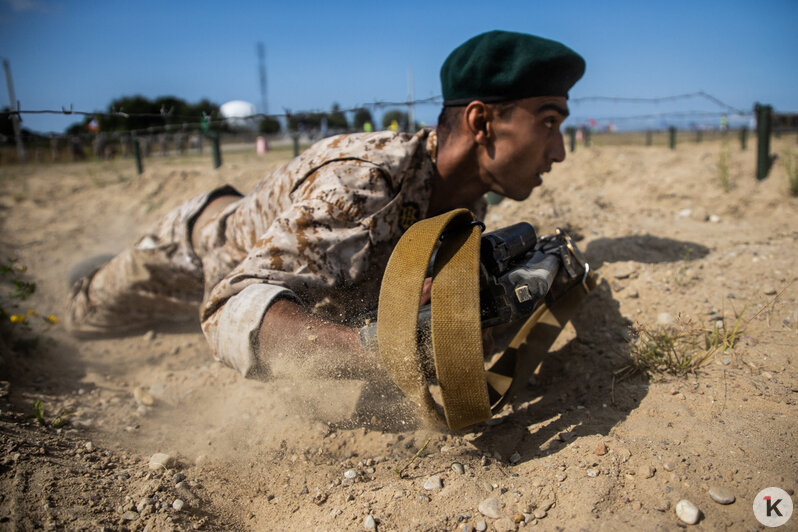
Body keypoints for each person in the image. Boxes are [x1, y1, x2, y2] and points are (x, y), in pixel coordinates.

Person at [67, 30, 585, 381]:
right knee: (82, 318)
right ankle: (87, 276)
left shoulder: (467, 200)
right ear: (482, 123)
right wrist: (388, 351)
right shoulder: (363, 182)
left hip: (266, 245)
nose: (559, 150)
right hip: (192, 250)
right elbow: (228, 307)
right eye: (548, 122)